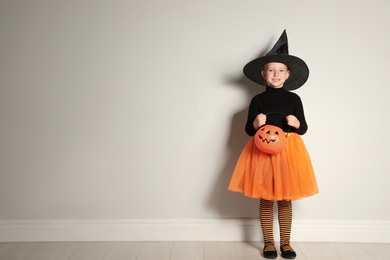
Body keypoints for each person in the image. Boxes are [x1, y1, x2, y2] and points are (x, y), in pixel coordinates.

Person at [228, 30, 319, 259]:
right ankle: (269, 242)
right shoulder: (257, 100)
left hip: (288, 151)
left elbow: (304, 128)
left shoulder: (294, 99)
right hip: (263, 152)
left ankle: (286, 243)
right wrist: (256, 123)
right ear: (263, 74)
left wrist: (297, 122)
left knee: (285, 198)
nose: (275, 74)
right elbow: (249, 129)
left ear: (288, 75)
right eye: (271, 70)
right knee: (266, 197)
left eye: (280, 70)